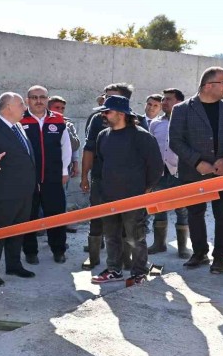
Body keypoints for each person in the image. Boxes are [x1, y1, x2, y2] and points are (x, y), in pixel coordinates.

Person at [168, 66, 223, 274]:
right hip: (193, 173)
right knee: (195, 214)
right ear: (208, 86)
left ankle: (220, 257)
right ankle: (199, 253)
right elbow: (175, 141)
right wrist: (197, 162)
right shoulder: (182, 109)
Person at [90, 95, 164, 283]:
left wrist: (146, 191)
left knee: (135, 237)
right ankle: (114, 270)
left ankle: (139, 272)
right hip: (108, 197)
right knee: (111, 236)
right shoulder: (103, 136)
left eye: (107, 112)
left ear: (121, 114)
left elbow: (156, 167)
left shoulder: (142, 136)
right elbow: (101, 164)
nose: (103, 115)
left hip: (134, 198)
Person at [0, 92, 37, 286]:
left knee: (18, 231)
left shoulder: (18, 126)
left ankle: (13, 265)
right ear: (8, 107)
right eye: (21, 104)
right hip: (4, 193)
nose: (25, 107)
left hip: (24, 191)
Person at [81, 83, 141, 270]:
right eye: (105, 96)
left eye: (110, 97)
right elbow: (89, 148)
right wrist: (84, 176)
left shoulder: (138, 121)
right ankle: (94, 257)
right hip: (101, 179)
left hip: (128, 183)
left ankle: (125, 258)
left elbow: (146, 156)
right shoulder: (97, 119)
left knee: (127, 222)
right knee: (96, 216)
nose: (105, 100)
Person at [21, 86, 71, 264]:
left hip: (53, 177)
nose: (38, 101)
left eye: (42, 97)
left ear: (47, 99)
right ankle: (30, 251)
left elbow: (66, 147)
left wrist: (64, 171)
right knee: (29, 215)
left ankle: (58, 250)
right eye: (34, 97)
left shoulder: (57, 119)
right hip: (28, 178)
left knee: (56, 215)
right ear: (27, 100)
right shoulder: (20, 119)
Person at [147, 88, 190, 258]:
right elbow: (150, 148)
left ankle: (182, 247)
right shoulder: (155, 123)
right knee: (159, 208)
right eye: (163, 99)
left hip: (180, 172)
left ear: (179, 102)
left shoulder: (187, 123)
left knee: (182, 209)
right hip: (159, 173)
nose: (164, 102)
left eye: (168, 99)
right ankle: (159, 244)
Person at [48, 96, 81, 179]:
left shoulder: (68, 125)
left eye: (62, 108)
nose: (60, 110)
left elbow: (75, 146)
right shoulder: (43, 124)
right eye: (57, 108)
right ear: (48, 108)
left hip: (64, 167)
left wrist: (75, 163)